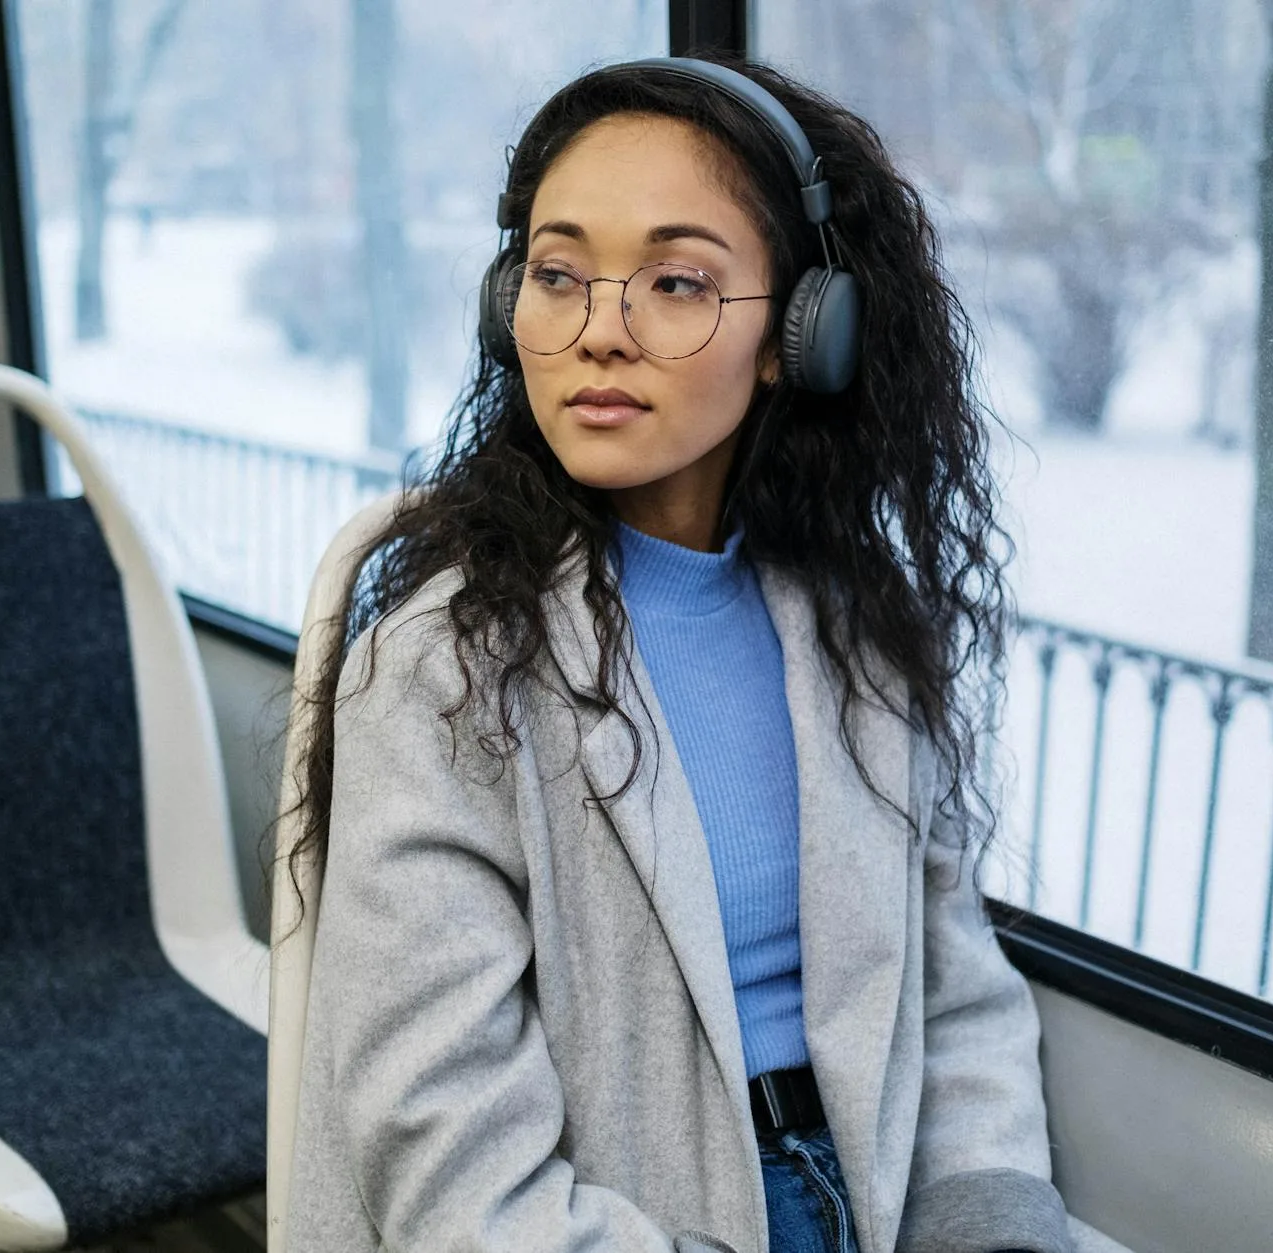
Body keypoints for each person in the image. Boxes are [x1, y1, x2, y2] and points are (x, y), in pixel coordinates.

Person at [281, 55, 1120, 1253]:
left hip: (884, 1202)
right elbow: (452, 1165)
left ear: (798, 334)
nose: (596, 334)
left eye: (675, 282)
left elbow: (954, 992)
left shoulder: (856, 629)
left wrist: (985, 1218)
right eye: (558, 275)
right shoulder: (441, 675)